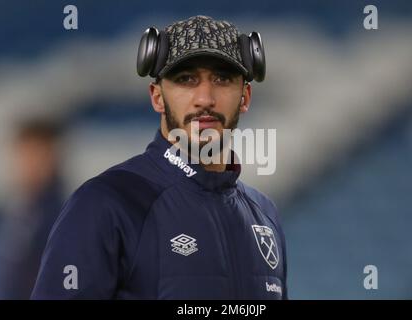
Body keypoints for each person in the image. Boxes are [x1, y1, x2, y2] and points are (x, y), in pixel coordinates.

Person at [31, 15, 287, 299]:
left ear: (245, 96)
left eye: (222, 78)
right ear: (156, 97)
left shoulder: (265, 216)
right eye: (186, 79)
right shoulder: (104, 203)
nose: (204, 98)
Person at [0, 119, 64, 299]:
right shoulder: (7, 212)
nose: (30, 164)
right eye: (25, 154)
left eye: (38, 155)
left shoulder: (65, 216)